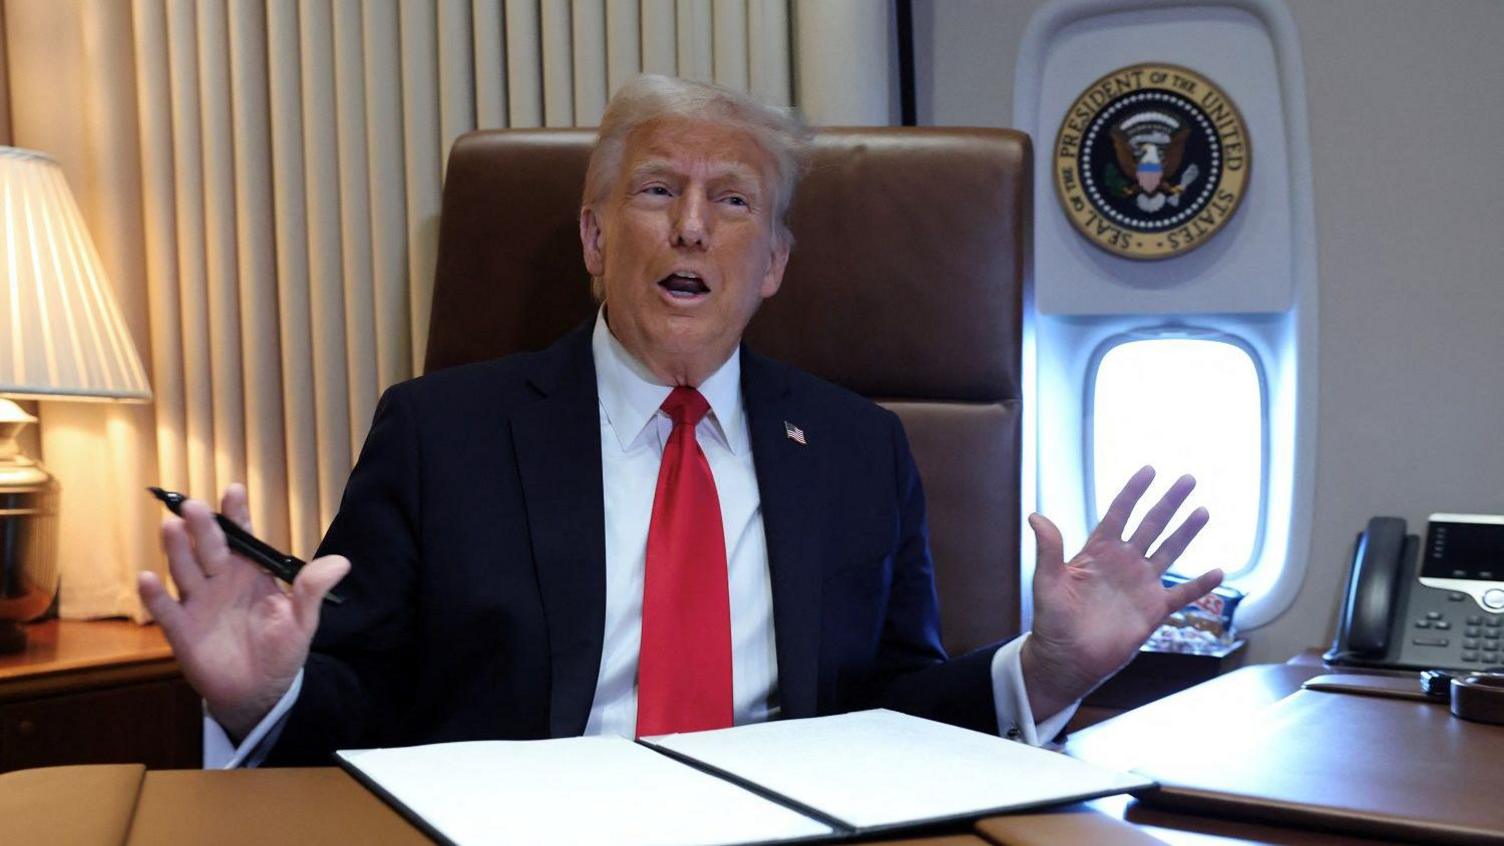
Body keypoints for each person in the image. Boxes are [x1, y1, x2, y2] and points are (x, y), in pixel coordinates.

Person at [138, 75, 1222, 767]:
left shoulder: (857, 448)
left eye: (734, 201)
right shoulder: (439, 432)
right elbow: (364, 700)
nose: (694, 227)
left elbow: (892, 712)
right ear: (595, 239)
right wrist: (267, 697)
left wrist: (1046, 672)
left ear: (775, 266)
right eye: (657, 191)